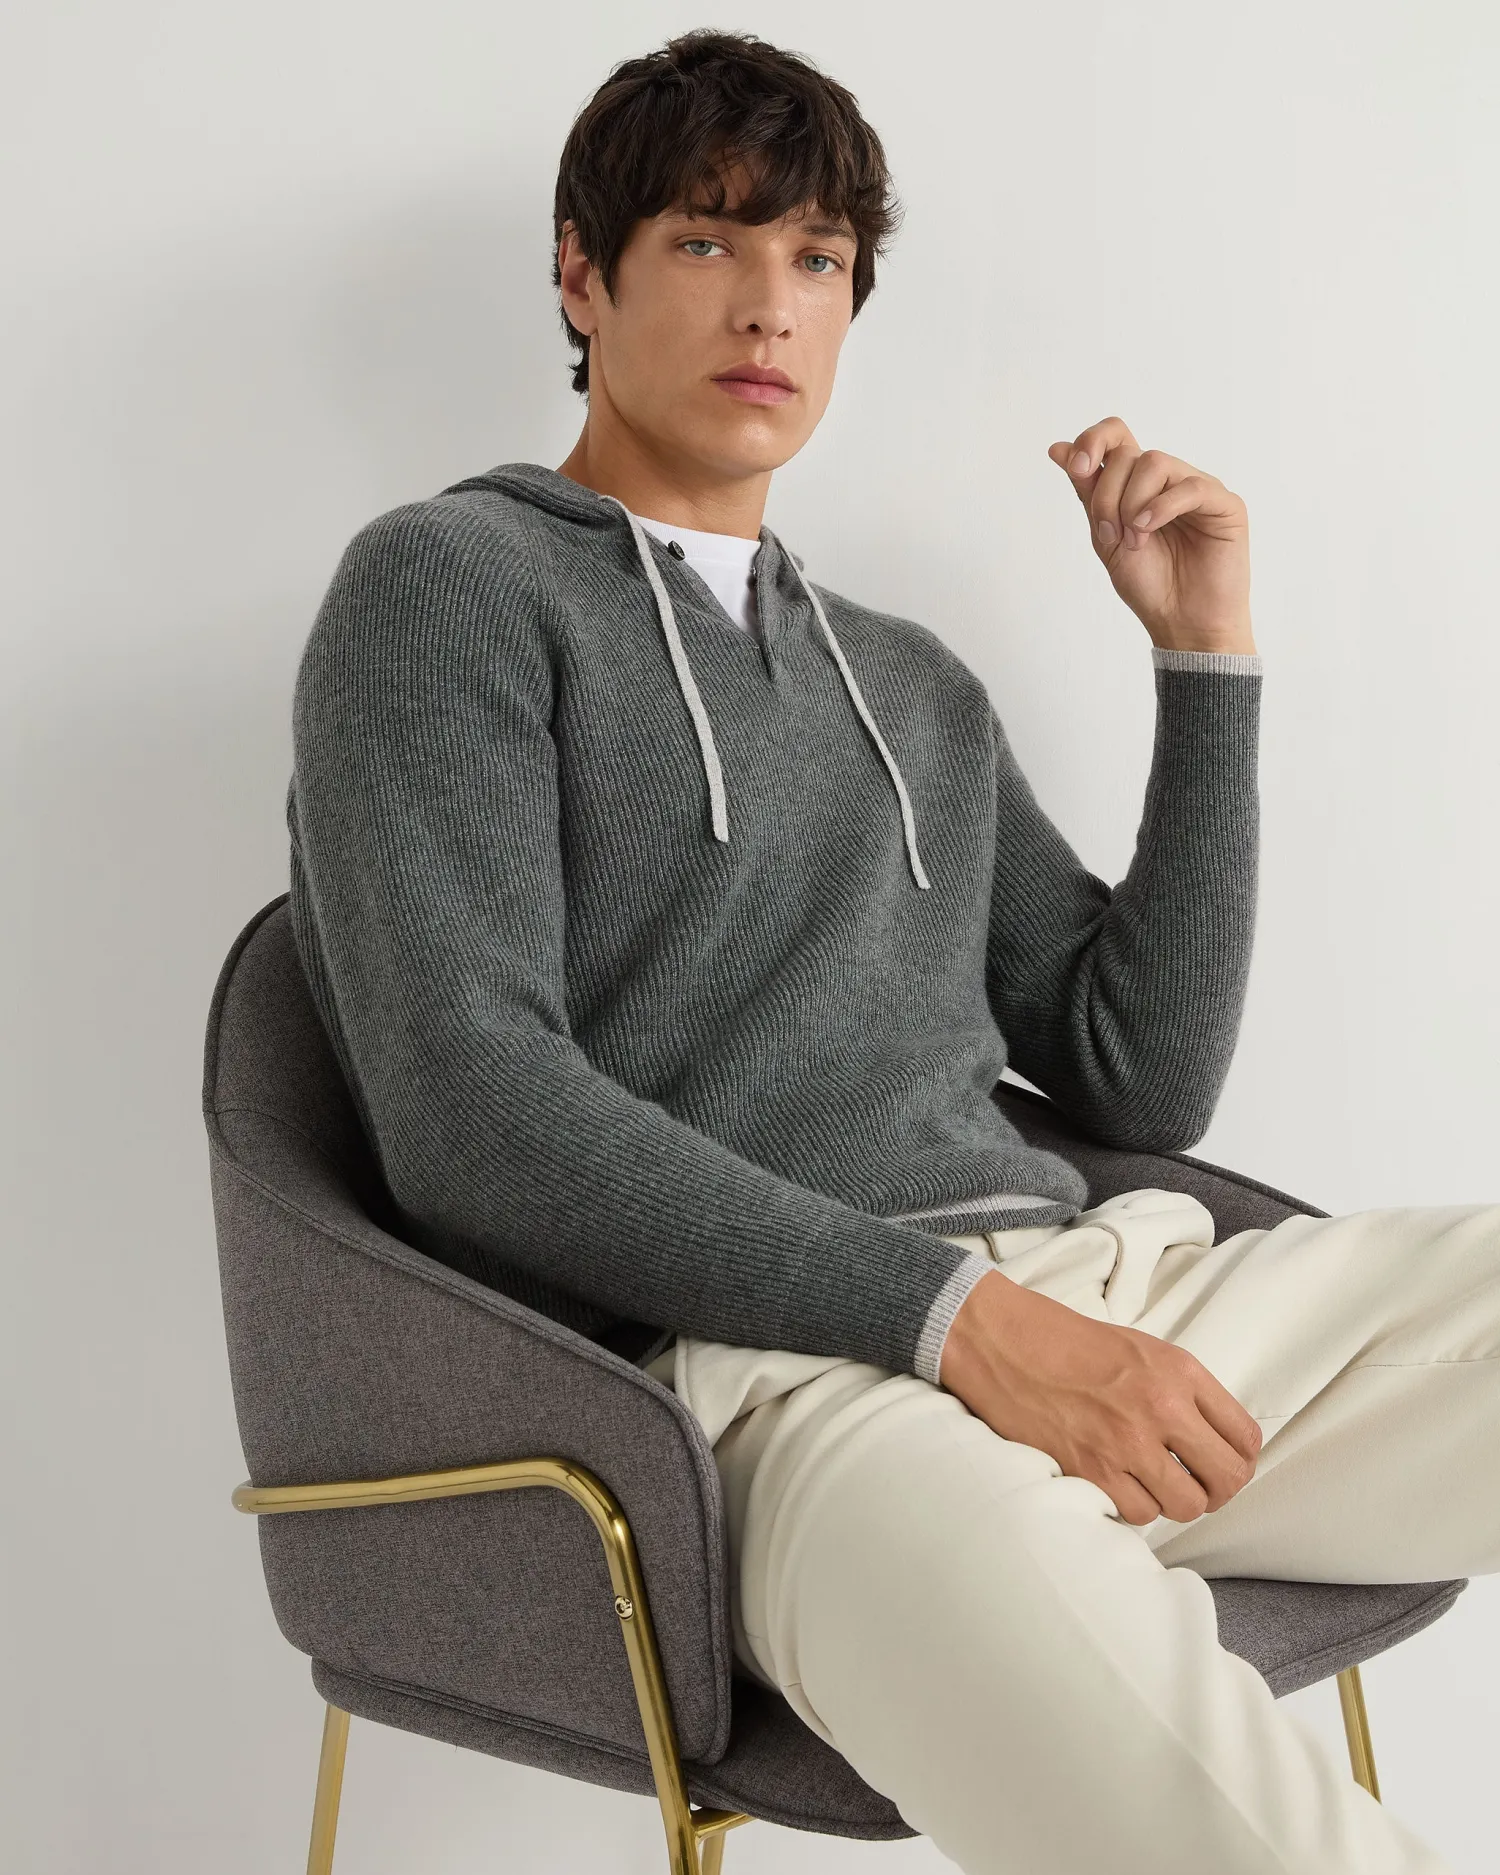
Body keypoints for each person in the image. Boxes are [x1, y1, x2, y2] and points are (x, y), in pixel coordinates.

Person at [285, 29, 1495, 1875]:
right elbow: (470, 1112)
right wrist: (953, 1325)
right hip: (771, 1395)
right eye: (707, 241)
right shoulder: (447, 591)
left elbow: (1140, 1075)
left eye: (820, 258)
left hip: (1099, 1299)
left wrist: (1205, 661)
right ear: (582, 275)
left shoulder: (908, 681)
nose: (771, 304)